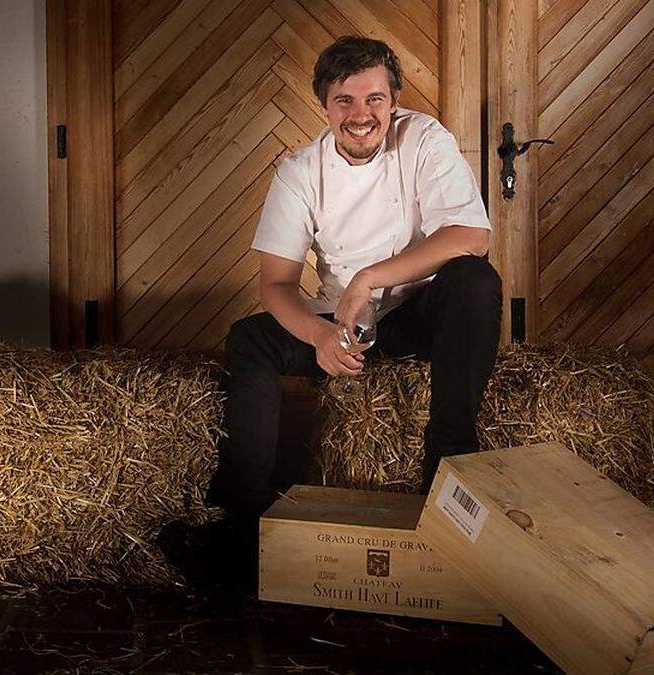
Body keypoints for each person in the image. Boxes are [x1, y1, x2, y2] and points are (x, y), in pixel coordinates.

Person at [161, 36, 501, 591]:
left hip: (422, 315)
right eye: (345, 100)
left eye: (374, 99)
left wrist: (370, 277)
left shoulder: (425, 139)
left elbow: (472, 235)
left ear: (394, 102)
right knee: (250, 339)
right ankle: (242, 521)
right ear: (324, 104)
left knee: (473, 280)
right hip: (348, 328)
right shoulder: (299, 172)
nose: (361, 114)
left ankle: (448, 465)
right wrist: (320, 333)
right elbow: (275, 283)